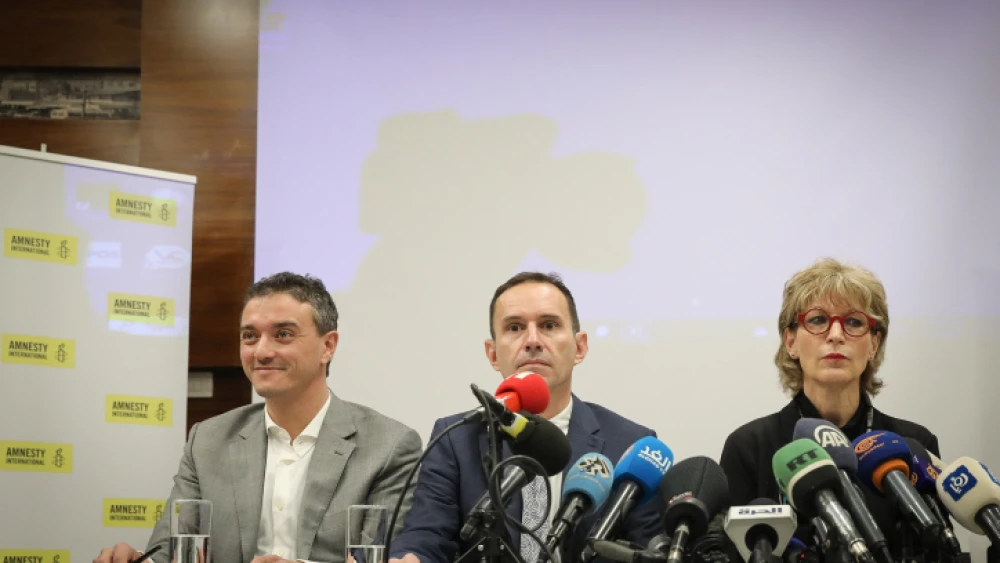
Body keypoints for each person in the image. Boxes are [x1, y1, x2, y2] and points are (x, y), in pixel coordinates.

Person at [95, 272, 423, 563]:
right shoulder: (208, 440)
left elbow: (381, 559)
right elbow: (172, 552)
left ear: (328, 346)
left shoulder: (389, 446)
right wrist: (138, 561)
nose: (261, 352)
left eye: (283, 334)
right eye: (250, 336)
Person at [389, 272, 662, 563]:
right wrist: (411, 557)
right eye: (515, 327)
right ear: (493, 354)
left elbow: (648, 549)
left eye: (549, 325)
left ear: (579, 347)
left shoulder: (631, 445)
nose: (532, 340)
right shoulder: (456, 438)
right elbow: (425, 535)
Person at [719, 258, 940, 550]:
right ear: (790, 341)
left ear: (873, 344)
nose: (836, 335)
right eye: (818, 320)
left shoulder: (914, 445)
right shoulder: (749, 448)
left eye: (853, 322)